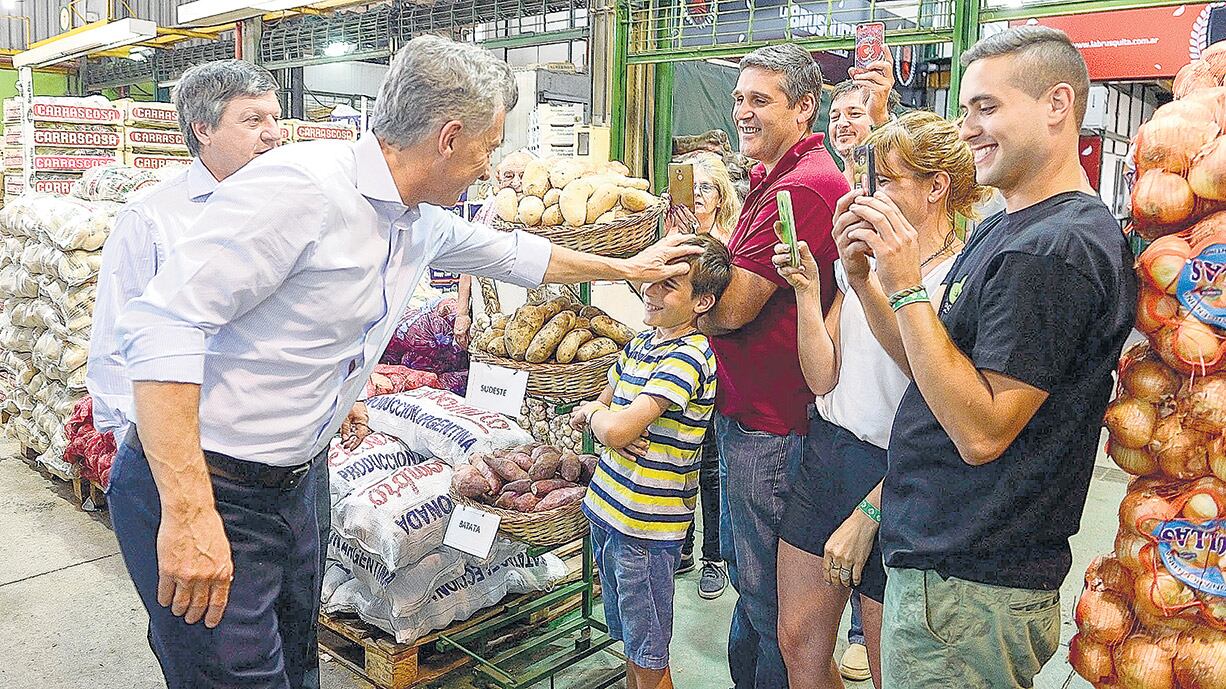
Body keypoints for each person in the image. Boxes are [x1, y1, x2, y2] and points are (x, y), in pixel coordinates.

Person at [106, 35, 703, 689]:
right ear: (449, 137)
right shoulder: (301, 189)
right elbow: (163, 323)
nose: (488, 165)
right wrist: (189, 512)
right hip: (209, 482)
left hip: (296, 487)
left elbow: (518, 256)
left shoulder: (414, 218)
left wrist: (626, 266)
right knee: (234, 677)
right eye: (488, 145)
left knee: (295, 666)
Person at [840, 27, 1135, 688]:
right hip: (948, 572)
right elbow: (932, 370)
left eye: (987, 107)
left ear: (1058, 105)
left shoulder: (1054, 249)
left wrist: (908, 282)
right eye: (966, 108)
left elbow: (981, 431)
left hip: (970, 584)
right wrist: (867, 281)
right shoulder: (1008, 226)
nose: (968, 127)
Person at [85, 60, 368, 689]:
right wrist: (174, 486)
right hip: (197, 470)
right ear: (202, 130)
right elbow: (117, 354)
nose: (273, 133)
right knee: (217, 657)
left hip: (293, 472)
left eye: (276, 118)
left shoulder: (304, 201)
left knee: (295, 641)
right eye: (253, 120)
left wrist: (344, 390)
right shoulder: (154, 218)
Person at [772, 111, 988, 689]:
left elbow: (936, 394)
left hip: (902, 474)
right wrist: (810, 291)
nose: (869, 196)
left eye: (886, 181)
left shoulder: (958, 279)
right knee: (798, 641)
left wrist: (872, 508)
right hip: (830, 452)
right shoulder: (859, 266)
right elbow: (822, 378)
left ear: (937, 186)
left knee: (893, 665)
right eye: (867, 181)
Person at [697, 43, 849, 689]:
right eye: (739, 98)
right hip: (751, 417)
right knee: (750, 584)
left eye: (760, 99)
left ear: (805, 106)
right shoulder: (771, 180)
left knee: (769, 602)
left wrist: (689, 310)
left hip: (773, 427)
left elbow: (731, 308)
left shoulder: (805, 186)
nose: (743, 112)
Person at [570, 234, 731, 689]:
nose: (651, 291)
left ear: (703, 301)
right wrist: (606, 421)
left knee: (649, 655)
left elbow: (612, 424)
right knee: (633, 644)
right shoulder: (643, 344)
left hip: (645, 527)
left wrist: (604, 422)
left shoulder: (691, 356)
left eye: (669, 286)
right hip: (608, 512)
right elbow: (606, 410)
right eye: (653, 281)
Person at [823, 54, 899, 683]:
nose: (843, 123)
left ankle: (860, 627)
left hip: (894, 438)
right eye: (837, 113)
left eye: (856, 113)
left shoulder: (897, 205)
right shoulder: (840, 187)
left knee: (882, 637)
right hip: (837, 423)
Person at [668, 151, 739, 600]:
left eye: (706, 188)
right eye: (691, 187)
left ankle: (714, 558)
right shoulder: (672, 241)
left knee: (710, 465)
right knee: (678, 459)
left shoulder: (726, 245)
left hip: (712, 366)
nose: (697, 196)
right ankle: (684, 545)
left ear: (720, 196)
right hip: (672, 362)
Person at [454, 148, 539, 345]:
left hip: (534, 317)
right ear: (499, 180)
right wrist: (462, 313)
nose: (517, 183)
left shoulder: (543, 213)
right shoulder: (487, 210)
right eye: (509, 176)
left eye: (523, 176)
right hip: (489, 319)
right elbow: (467, 264)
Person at [828, 61, 901, 189]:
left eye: (854, 113)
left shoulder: (893, 185)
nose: (841, 123)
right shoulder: (828, 187)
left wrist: (881, 119)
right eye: (835, 117)